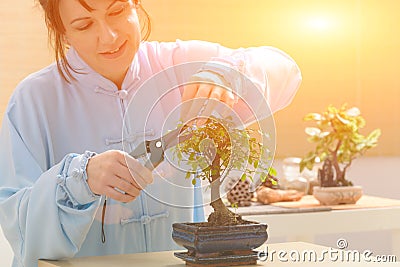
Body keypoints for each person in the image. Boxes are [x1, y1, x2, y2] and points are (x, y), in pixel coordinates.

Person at [0, 0, 302, 266]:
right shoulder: (34, 100)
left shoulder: (177, 64)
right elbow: (21, 230)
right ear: (63, 31)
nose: (109, 36)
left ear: (136, 4)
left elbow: (285, 71)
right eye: (84, 25)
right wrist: (82, 178)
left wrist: (227, 76)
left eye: (117, 10)